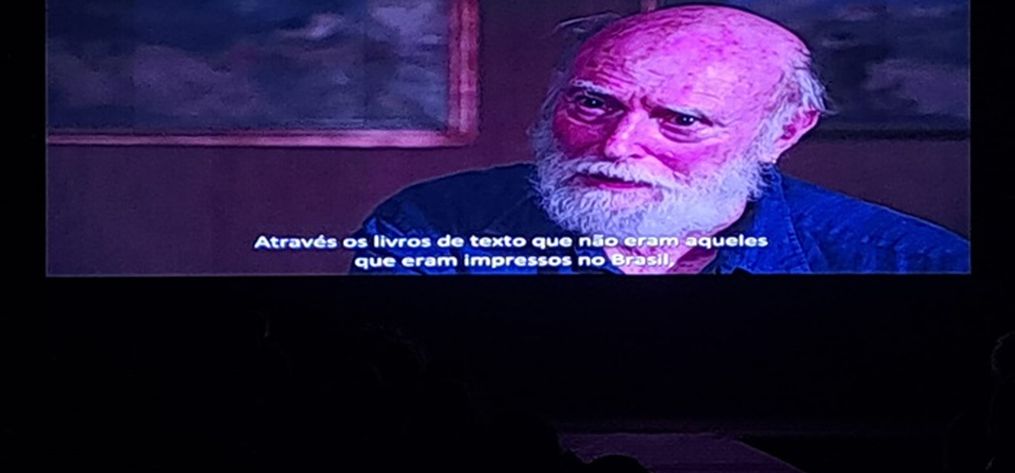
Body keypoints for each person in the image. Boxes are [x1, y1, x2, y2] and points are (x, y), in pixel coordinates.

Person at [351, 5, 969, 275]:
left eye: (682, 121)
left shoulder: (914, 263)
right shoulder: (429, 228)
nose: (616, 146)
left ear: (783, 131)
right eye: (593, 103)